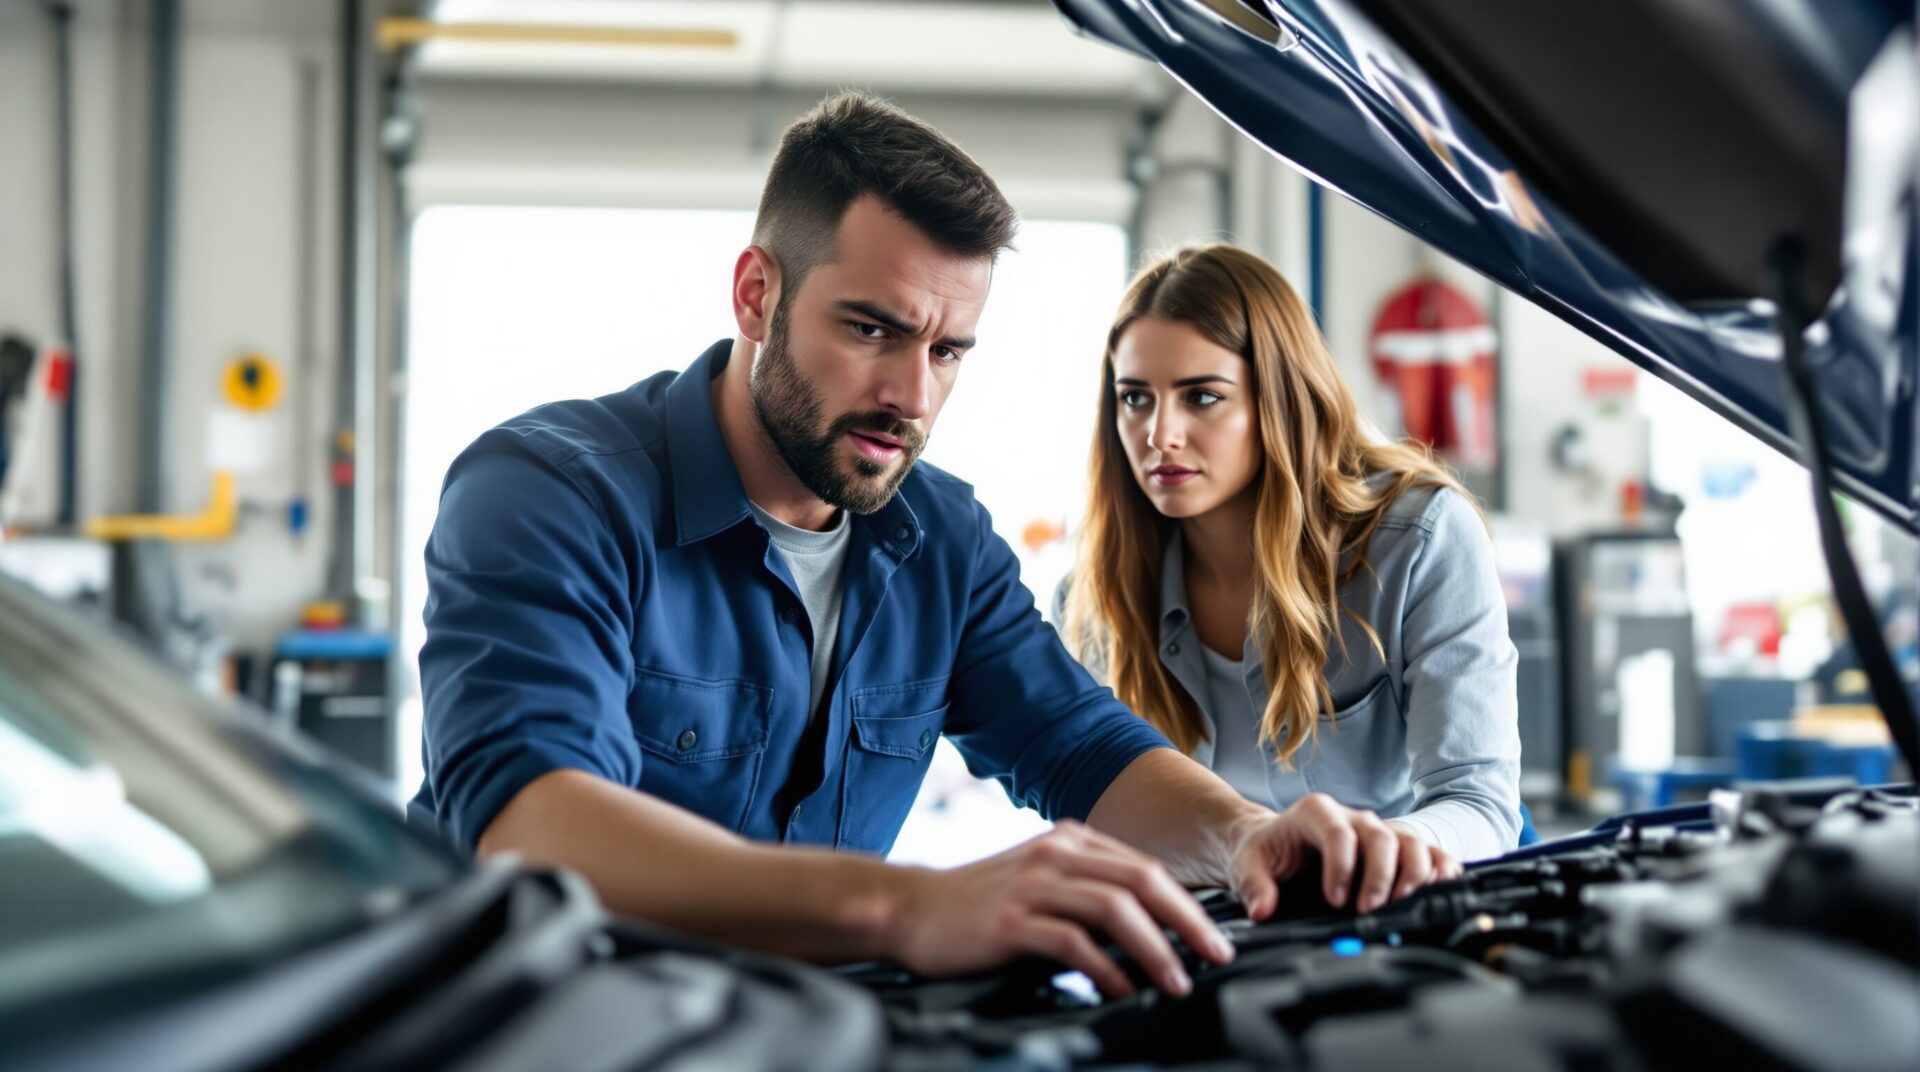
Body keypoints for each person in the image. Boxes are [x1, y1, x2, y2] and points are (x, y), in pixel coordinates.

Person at [412, 95, 1454, 1002]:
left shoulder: (938, 536)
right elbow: (533, 825)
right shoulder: (548, 493)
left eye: (947, 349)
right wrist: (912, 907)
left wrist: (1244, 837)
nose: (913, 396)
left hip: (790, 1033)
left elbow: (1079, 743)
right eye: (872, 329)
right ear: (756, 295)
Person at [1058, 244, 1522, 863]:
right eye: (1135, 397)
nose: (1158, 434)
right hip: (1219, 914)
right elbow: (1099, 812)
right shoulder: (1096, 595)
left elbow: (1479, 803)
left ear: (1279, 397)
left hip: (1406, 891)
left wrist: (1373, 853)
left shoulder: (1418, 542)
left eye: (1201, 396)